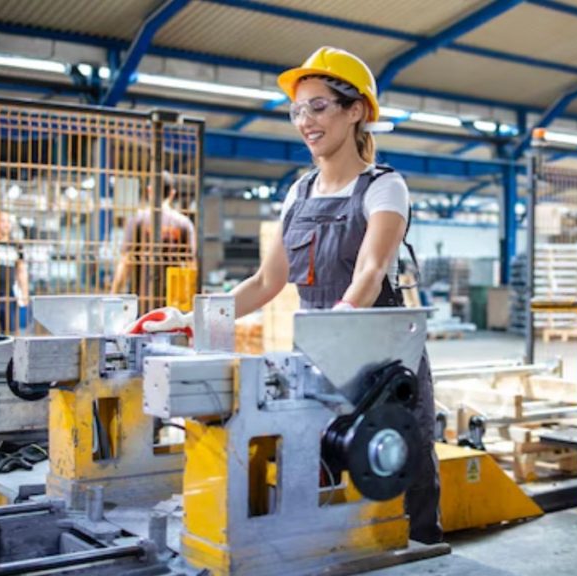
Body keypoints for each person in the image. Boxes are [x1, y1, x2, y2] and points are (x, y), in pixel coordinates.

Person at [128, 46, 443, 544]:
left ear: (356, 111)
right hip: (318, 350)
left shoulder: (384, 187)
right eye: (297, 111)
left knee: (400, 460)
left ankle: (423, 552)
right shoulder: (299, 192)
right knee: (314, 463)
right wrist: (191, 318)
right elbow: (264, 282)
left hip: (381, 356)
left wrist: (334, 328)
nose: (305, 122)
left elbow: (370, 271)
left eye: (318, 107)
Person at [111, 171, 197, 311]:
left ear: (149, 191)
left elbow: (126, 262)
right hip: (172, 304)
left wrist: (113, 294)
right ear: (172, 194)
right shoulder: (184, 224)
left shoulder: (137, 220)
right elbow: (191, 265)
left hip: (141, 302)